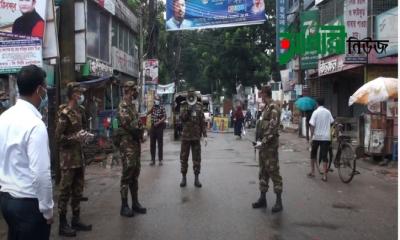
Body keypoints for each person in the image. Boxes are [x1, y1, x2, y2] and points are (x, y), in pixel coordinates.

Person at [0, 65, 53, 239]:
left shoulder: (4, 117)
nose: (45, 92)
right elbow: (41, 173)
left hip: (6, 200)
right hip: (28, 204)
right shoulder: (35, 125)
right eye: (45, 87)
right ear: (39, 89)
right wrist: (47, 209)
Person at [56, 82, 93, 237]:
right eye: (78, 93)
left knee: (78, 190)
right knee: (65, 191)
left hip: (79, 156)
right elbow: (58, 138)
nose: (80, 95)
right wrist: (74, 137)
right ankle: (63, 224)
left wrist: (85, 136)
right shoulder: (64, 113)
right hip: (68, 159)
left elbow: (82, 129)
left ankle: (76, 220)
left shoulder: (80, 110)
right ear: (72, 94)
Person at [115, 81, 147, 217]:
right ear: (129, 91)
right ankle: (124, 206)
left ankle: (135, 202)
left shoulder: (132, 107)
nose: (136, 93)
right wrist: (141, 131)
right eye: (134, 90)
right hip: (126, 144)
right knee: (127, 173)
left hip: (134, 143)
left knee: (135, 172)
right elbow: (131, 125)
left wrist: (141, 129)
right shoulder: (123, 106)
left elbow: (138, 123)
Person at [252, 86, 283, 213]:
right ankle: (262, 198)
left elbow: (273, 127)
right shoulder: (265, 108)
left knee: (274, 172)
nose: (260, 97)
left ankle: (279, 202)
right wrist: (259, 141)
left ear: (266, 94)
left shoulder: (273, 107)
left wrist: (263, 142)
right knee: (263, 172)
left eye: (261, 94)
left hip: (269, 147)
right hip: (263, 147)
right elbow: (262, 126)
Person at [179, 88, 207, 188]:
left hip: (196, 137)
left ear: (194, 95)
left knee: (197, 159)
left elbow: (202, 122)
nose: (191, 96)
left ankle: (196, 179)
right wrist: (188, 110)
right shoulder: (183, 105)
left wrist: (205, 135)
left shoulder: (199, 106)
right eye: (189, 95)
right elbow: (181, 119)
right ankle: (184, 178)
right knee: (183, 158)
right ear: (187, 95)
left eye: (192, 95)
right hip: (186, 137)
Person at [308, 98, 334, 182]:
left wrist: (311, 136)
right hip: (326, 137)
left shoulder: (315, 112)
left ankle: (312, 172)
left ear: (317, 103)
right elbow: (332, 122)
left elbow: (312, 125)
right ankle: (325, 176)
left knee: (313, 154)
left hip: (317, 137)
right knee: (324, 156)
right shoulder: (328, 112)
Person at [147, 95, 167, 166]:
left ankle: (160, 160)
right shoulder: (153, 107)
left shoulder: (162, 107)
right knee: (152, 144)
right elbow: (148, 113)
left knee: (160, 144)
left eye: (157, 99)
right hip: (153, 127)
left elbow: (165, 117)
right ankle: (152, 160)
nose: (156, 101)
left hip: (159, 127)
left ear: (159, 100)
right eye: (155, 99)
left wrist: (158, 122)